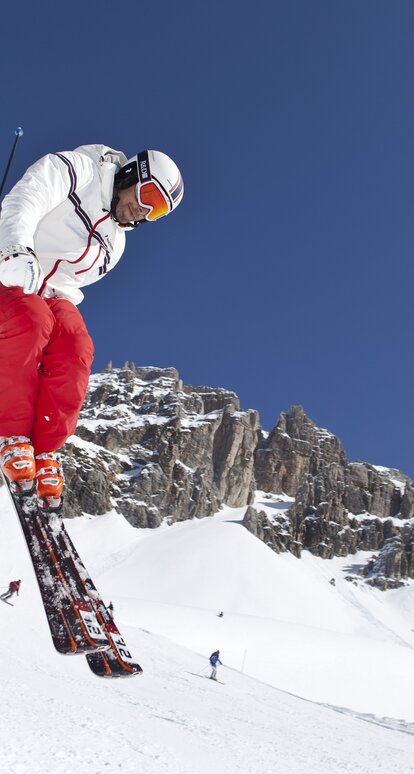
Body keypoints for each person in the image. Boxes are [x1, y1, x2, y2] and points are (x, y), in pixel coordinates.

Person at [0, 145, 184, 510]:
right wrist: (14, 249)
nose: (144, 211)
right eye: (148, 196)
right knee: (31, 319)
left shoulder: (115, 245)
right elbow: (27, 197)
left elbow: (67, 286)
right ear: (132, 174)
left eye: (158, 211)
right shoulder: (78, 169)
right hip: (10, 266)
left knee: (76, 345)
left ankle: (44, 449)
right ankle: (12, 434)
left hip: (50, 292)